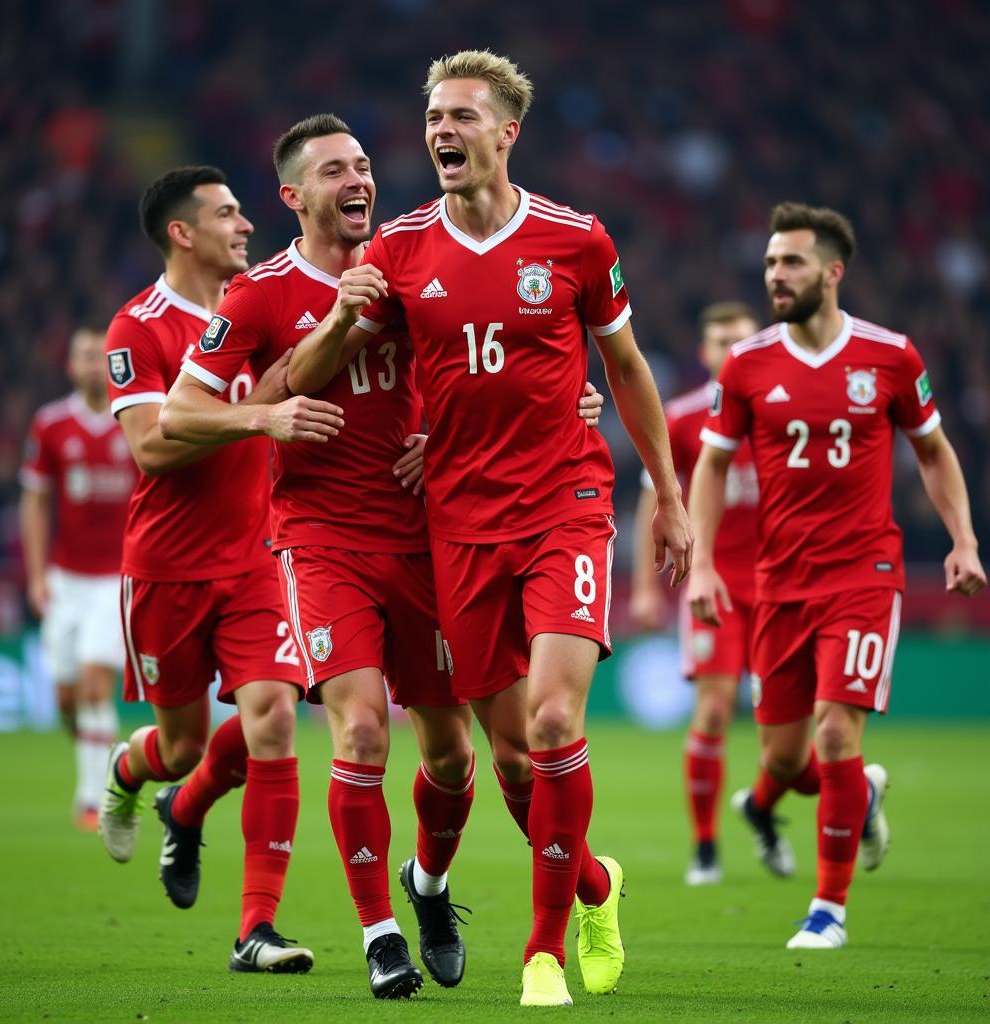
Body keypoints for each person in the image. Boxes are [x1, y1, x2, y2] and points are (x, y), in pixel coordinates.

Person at [159, 114, 606, 999]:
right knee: (360, 729)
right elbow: (178, 416)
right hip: (321, 541)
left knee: (457, 758)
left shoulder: (412, 257)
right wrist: (266, 415)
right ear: (294, 196)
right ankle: (380, 936)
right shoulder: (259, 294)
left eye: (363, 164)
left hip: (432, 537)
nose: (357, 179)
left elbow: (498, 362)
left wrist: (549, 404)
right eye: (334, 170)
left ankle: (433, 885)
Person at [284, 51, 693, 1006]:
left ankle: (544, 951)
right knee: (509, 757)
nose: (441, 132)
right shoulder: (397, 250)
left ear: (508, 132)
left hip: (564, 504)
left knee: (555, 720)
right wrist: (346, 323)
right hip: (457, 527)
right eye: (433, 116)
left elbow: (625, 370)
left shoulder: (577, 240)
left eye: (462, 116)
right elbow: (310, 379)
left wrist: (666, 493)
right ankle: (595, 882)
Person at [687, 201, 986, 949]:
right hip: (777, 583)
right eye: (769, 263)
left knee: (833, 731)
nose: (775, 276)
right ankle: (855, 793)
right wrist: (700, 564)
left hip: (862, 574)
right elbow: (713, 464)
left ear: (832, 270)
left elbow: (934, 450)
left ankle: (828, 910)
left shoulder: (891, 356)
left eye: (790, 262)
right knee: (785, 761)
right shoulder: (749, 363)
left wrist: (963, 541)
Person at [99, 165, 339, 973]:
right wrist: (259, 418)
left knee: (276, 716)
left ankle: (256, 931)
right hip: (166, 566)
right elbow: (151, 447)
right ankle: (148, 778)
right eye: (229, 214)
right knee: (180, 744)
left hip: (257, 557)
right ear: (183, 232)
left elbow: (291, 380)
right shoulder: (137, 327)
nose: (246, 225)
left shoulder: (252, 311)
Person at [629, 301, 776, 886]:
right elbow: (651, 502)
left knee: (780, 728)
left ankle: (763, 810)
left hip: (782, 585)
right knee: (714, 710)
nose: (731, 350)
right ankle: (707, 845)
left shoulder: (783, 414)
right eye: (722, 341)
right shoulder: (684, 418)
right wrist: (644, 586)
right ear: (705, 352)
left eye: (742, 340)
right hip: (714, 584)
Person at [19, 326, 136, 830]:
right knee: (68, 699)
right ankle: (97, 762)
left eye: (101, 356)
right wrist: (38, 574)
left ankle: (94, 799)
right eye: (85, 356)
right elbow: (35, 502)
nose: (93, 365)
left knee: (94, 685)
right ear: (71, 366)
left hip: (116, 577)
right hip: (66, 580)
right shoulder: (50, 426)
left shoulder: (133, 418)